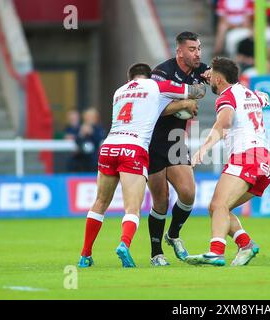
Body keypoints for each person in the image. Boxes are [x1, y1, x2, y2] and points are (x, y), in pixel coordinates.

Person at [77, 63, 204, 268]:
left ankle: (85, 255)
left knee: (100, 203)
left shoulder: (119, 92)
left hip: (109, 147)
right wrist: (188, 98)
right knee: (132, 208)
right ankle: (124, 245)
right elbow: (196, 92)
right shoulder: (156, 87)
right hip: (133, 148)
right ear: (150, 77)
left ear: (130, 79)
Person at [185, 57, 270, 267]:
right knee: (218, 207)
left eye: (212, 78)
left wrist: (203, 149)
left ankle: (216, 252)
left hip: (247, 155)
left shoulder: (226, 96)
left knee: (218, 205)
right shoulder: (248, 92)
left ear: (218, 78)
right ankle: (246, 245)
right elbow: (265, 98)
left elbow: (224, 122)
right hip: (266, 161)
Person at [148, 31, 211, 267]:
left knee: (188, 192)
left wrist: (212, 81)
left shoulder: (200, 69)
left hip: (175, 139)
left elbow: (216, 81)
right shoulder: (161, 72)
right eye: (192, 49)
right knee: (161, 200)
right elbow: (153, 109)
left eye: (199, 48)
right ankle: (156, 253)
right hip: (153, 140)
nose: (198, 53)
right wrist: (183, 104)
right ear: (180, 52)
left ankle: (172, 235)